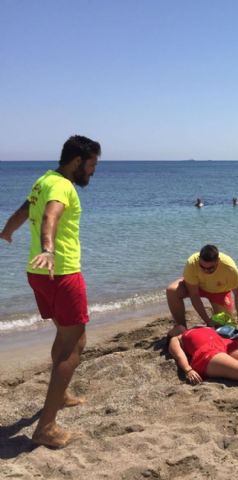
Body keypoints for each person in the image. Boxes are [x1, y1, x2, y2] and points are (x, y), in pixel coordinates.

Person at [0, 135, 101, 448]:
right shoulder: (62, 186)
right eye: (92, 165)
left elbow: (26, 208)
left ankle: (61, 394)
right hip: (62, 272)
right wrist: (49, 247)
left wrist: (7, 230)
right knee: (76, 342)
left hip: (38, 273)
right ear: (77, 162)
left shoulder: (43, 180)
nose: (93, 172)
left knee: (64, 333)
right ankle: (46, 427)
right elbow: (49, 216)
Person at [166, 244, 238, 330]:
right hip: (197, 288)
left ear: (218, 261)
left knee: (225, 324)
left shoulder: (229, 268)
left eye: (210, 268)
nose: (206, 270)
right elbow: (194, 295)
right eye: (202, 267)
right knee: (172, 291)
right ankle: (182, 327)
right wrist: (207, 320)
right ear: (199, 259)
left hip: (219, 292)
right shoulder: (192, 263)